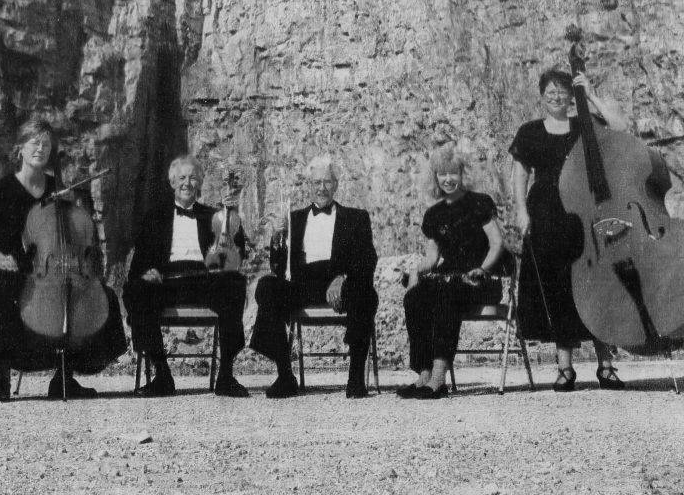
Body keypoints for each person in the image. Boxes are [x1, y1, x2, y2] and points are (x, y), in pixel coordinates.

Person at [0, 114, 125, 402]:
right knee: (1, 287)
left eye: (46, 144)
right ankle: (2, 374)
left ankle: (64, 378)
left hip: (48, 265)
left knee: (100, 296)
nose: (40, 149)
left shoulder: (57, 187)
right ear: (20, 148)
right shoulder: (3, 190)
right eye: (34, 143)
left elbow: (70, 231)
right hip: (9, 265)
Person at [511, 66, 628, 391]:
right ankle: (565, 368)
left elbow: (619, 127)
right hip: (546, 213)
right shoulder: (530, 131)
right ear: (541, 95)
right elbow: (520, 174)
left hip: (583, 212)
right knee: (557, 288)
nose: (557, 96)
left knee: (597, 285)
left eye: (562, 91)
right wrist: (521, 211)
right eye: (550, 91)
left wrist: (588, 93)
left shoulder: (583, 125)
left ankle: (606, 366)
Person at [249, 154, 378, 399]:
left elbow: (367, 259)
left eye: (327, 182)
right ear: (309, 185)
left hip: (338, 282)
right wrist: (277, 239)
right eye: (317, 182)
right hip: (303, 284)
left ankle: (355, 377)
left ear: (336, 185)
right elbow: (279, 268)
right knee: (266, 286)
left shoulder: (356, 217)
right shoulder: (294, 219)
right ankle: (285, 376)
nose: (322, 188)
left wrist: (342, 277)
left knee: (365, 292)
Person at [123, 156, 249, 397]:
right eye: (182, 178)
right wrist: (146, 273)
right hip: (167, 281)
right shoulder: (155, 217)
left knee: (234, 284)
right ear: (172, 182)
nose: (187, 183)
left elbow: (236, 251)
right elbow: (138, 263)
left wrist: (231, 216)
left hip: (204, 279)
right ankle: (162, 374)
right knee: (136, 291)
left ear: (200, 182)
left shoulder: (213, 215)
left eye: (192, 178)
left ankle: (226, 375)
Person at [397, 142, 507, 400]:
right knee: (414, 297)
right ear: (435, 177)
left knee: (446, 294)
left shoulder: (480, 203)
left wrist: (483, 268)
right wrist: (415, 271)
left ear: (463, 174)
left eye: (453, 173)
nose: (448, 179)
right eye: (442, 174)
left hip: (481, 278)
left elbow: (497, 243)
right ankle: (423, 374)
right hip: (450, 277)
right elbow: (432, 258)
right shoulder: (434, 214)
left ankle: (438, 377)